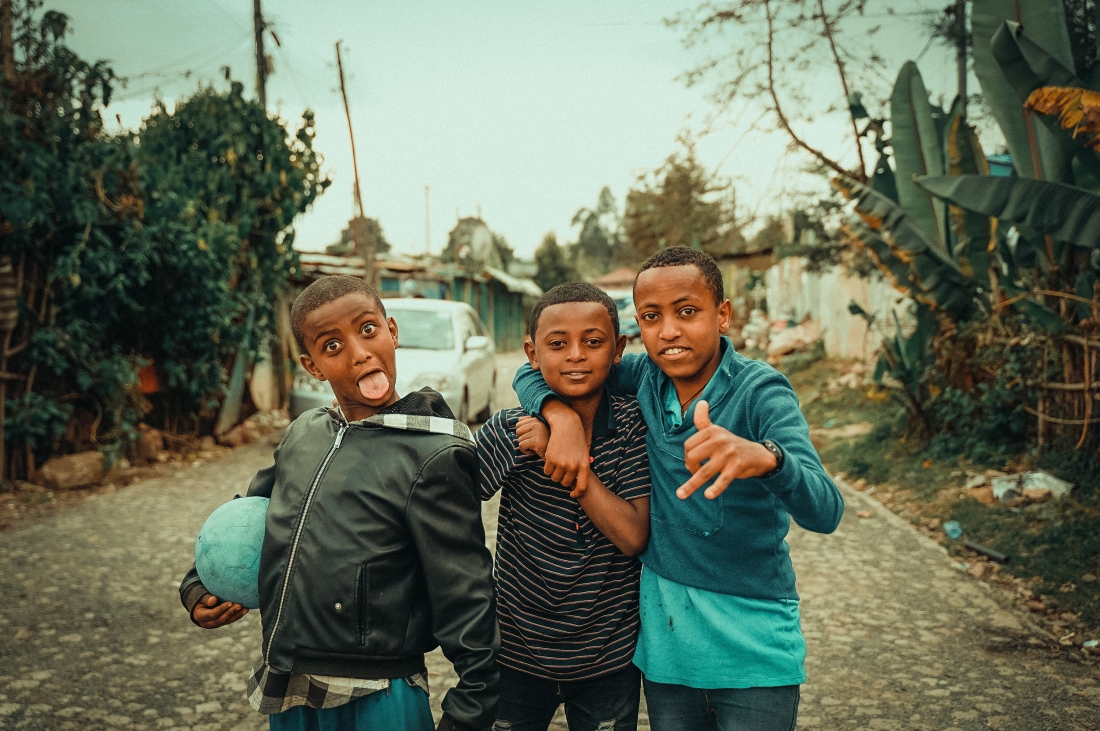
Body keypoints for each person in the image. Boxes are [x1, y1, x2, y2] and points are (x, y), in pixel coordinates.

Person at [513, 249, 844, 731]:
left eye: (687, 312)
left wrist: (767, 458)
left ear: (723, 315)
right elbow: (546, 368)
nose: (668, 331)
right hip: (669, 650)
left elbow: (827, 509)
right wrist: (559, 417)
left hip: (754, 646)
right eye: (652, 317)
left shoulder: (761, 392)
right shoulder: (647, 376)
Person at [178, 275, 499, 731]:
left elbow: (465, 591)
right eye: (333, 346)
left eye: (367, 329)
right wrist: (199, 583)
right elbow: (249, 517)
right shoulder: (303, 432)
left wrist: (472, 707)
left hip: (381, 693)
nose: (358, 351)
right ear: (312, 366)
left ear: (392, 330)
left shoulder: (433, 454)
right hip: (290, 684)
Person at [477, 282, 651, 731]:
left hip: (608, 655)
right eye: (558, 344)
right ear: (532, 355)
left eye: (593, 342)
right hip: (516, 650)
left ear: (618, 350)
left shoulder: (632, 425)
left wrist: (576, 467)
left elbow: (633, 536)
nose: (576, 355)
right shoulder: (510, 432)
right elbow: (446, 506)